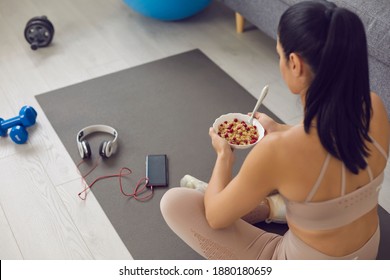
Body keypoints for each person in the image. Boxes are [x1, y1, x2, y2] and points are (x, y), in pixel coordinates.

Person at [160, 0, 389, 259]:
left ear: (295, 64)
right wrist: (280, 128)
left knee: (174, 203)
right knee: (288, 180)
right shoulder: (374, 107)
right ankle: (270, 208)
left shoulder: (278, 152)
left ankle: (268, 207)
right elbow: (329, 145)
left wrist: (224, 156)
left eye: (279, 53)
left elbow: (215, 218)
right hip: (367, 253)